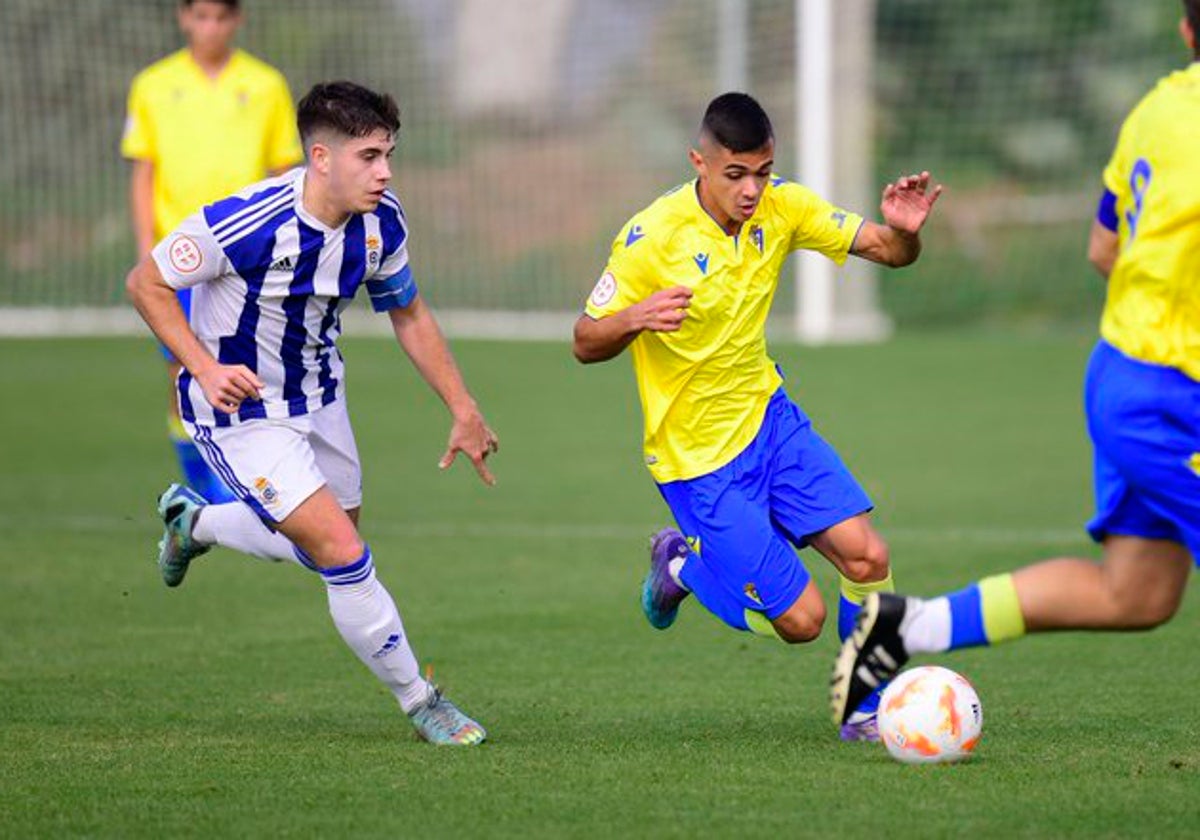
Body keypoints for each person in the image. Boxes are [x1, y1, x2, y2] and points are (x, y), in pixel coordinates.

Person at [830, 1, 1200, 728]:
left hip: (1123, 373)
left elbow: (1103, 250)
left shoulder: (1155, 110)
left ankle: (910, 628)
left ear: (1187, 31)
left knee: (1136, 594)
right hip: (1173, 401)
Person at [126, 80, 499, 746]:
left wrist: (462, 405)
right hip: (240, 414)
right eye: (368, 157)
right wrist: (204, 368)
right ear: (321, 159)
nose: (384, 171)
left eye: (388, 154)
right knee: (344, 553)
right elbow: (146, 283)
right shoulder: (245, 222)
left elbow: (408, 312)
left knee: (322, 549)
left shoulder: (383, 222)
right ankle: (422, 701)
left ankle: (197, 522)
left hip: (322, 401)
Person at [572, 92, 941, 741]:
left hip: (771, 423)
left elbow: (887, 250)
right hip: (697, 463)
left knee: (867, 556)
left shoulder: (785, 206)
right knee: (802, 621)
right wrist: (636, 316)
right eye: (735, 174)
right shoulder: (650, 237)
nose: (751, 189)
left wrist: (905, 230)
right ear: (700, 162)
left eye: (762, 171)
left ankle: (863, 707)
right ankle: (680, 567)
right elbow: (584, 339)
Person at [122, 0, 304, 503]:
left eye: (221, 17)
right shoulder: (153, 84)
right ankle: (205, 481)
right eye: (200, 17)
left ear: (237, 20)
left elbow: (283, 173)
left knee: (248, 367)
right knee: (183, 371)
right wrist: (146, 247)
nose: (210, 27)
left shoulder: (266, 84)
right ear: (183, 17)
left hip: (245, 258)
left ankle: (251, 475)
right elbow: (144, 170)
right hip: (178, 258)